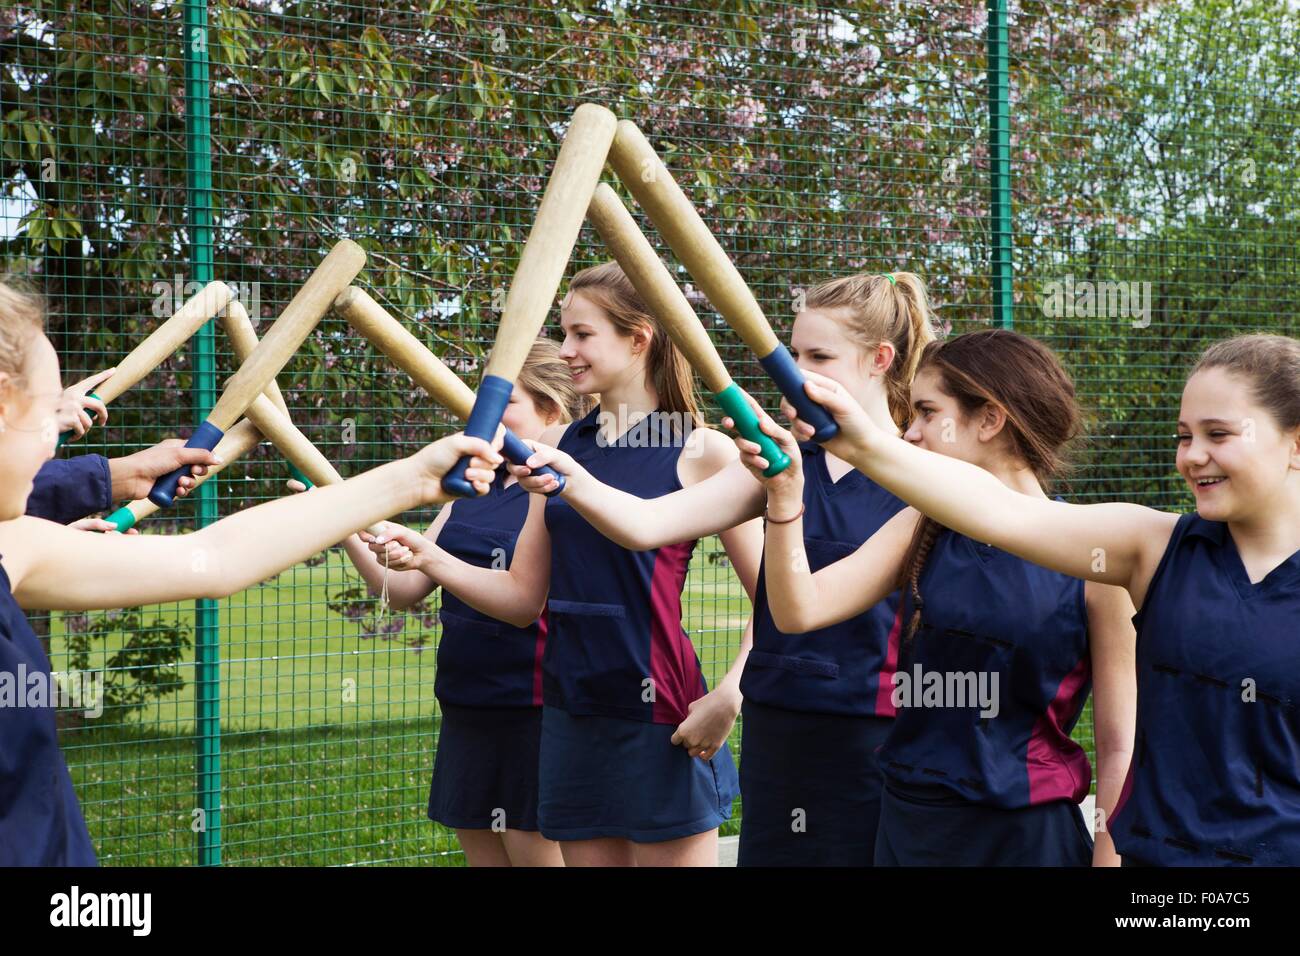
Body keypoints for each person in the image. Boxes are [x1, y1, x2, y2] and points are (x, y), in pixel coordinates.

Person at [0, 278, 500, 865]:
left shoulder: (17, 544)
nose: (57, 437)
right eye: (51, 413)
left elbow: (217, 558)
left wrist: (413, 478)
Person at [772, 330, 1300, 866]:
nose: (1192, 457)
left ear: (1295, 442)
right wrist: (851, 446)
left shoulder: (1124, 566)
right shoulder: (1152, 548)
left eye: (1219, 434)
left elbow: (1120, 744)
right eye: (1184, 436)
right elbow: (1001, 512)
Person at [510, 271, 936, 865]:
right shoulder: (779, 461)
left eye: (819, 355)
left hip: (878, 731)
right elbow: (644, 525)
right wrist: (571, 478)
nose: (796, 371)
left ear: (879, 359)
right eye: (793, 354)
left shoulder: (924, 475)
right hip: (777, 728)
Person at [366, 261, 759, 866]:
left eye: (582, 334)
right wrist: (430, 558)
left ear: (638, 338)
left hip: (661, 712)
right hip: (569, 712)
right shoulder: (567, 445)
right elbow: (524, 598)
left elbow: (777, 594)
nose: (567, 350)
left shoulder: (702, 449)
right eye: (565, 333)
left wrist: (730, 694)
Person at [734, 329, 1137, 865]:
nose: (912, 432)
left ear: (989, 420)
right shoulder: (922, 526)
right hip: (911, 826)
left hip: (1027, 838)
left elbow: (1120, 749)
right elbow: (798, 610)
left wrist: (1108, 863)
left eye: (927, 412)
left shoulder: (1095, 559)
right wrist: (786, 498)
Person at [340, 339, 587, 866]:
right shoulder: (478, 483)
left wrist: (428, 556)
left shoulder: (567, 490)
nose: (486, 421)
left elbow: (525, 600)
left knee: (532, 852)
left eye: (506, 406)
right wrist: (344, 526)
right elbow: (404, 590)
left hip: (536, 707)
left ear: (554, 408)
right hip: (468, 701)